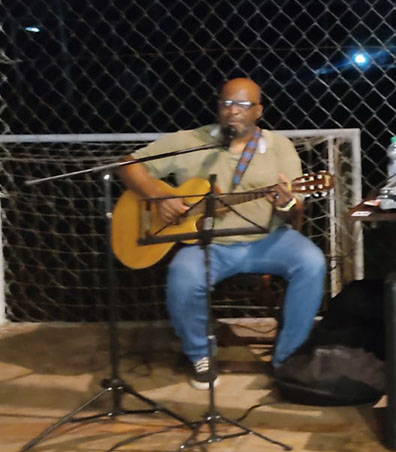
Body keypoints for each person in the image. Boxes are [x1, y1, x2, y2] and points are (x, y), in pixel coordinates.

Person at [118, 78, 327, 389]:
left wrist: (286, 203)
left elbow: (295, 208)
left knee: (312, 263)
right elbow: (128, 164)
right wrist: (159, 196)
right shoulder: (191, 141)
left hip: (268, 240)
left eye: (243, 105)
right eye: (227, 103)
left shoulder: (279, 146)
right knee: (183, 275)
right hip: (206, 245)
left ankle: (287, 357)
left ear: (258, 111)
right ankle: (200, 354)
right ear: (218, 107)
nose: (234, 111)